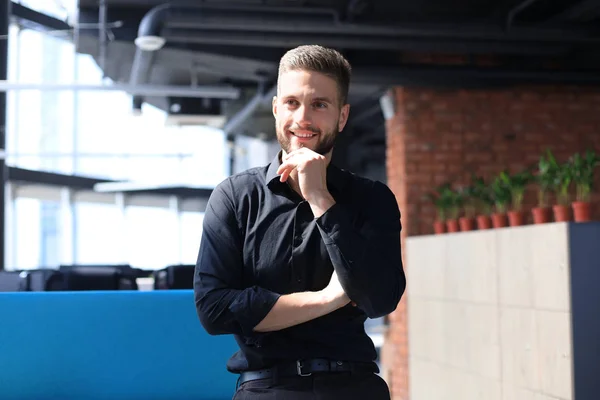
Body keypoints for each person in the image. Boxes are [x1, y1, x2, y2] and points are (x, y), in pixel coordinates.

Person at [194, 44, 406, 400]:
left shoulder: (372, 198)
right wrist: (330, 298)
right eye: (292, 103)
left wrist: (321, 199)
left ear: (341, 116)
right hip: (265, 388)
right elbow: (214, 310)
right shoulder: (234, 197)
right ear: (276, 108)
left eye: (319, 104)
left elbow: (380, 298)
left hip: (353, 387)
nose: (303, 118)